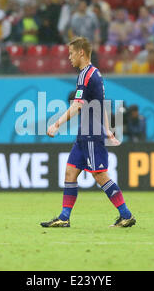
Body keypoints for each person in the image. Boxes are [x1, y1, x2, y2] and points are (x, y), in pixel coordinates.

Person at [41, 36, 136, 228]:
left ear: (81, 52)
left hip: (91, 134)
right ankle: (64, 217)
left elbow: (77, 105)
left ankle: (126, 215)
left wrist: (56, 123)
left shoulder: (86, 75)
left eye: (71, 53)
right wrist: (108, 130)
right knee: (70, 172)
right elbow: (101, 104)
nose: (69, 58)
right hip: (84, 134)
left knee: (100, 175)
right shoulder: (95, 74)